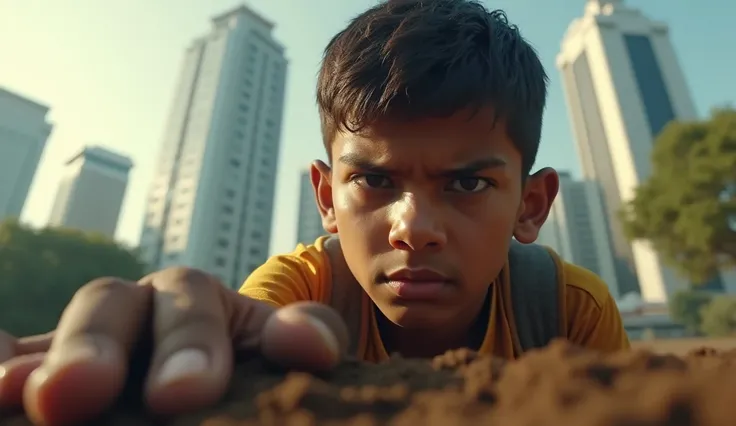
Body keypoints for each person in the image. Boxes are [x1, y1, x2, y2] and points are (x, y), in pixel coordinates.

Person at [0, 1, 630, 425]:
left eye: (467, 182)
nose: (414, 228)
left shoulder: (570, 309)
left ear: (531, 204)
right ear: (327, 197)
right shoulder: (297, 292)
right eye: (374, 179)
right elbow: (232, 352)